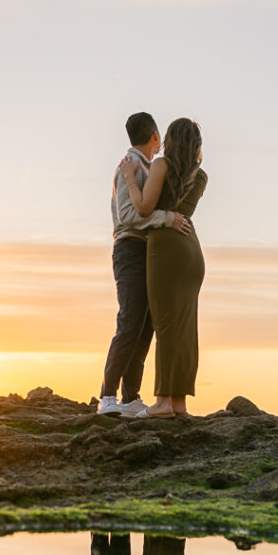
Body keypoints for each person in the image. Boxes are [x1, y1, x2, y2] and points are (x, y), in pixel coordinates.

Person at [98, 113, 191, 417]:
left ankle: (130, 397)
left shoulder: (149, 166)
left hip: (147, 250)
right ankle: (107, 396)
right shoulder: (131, 165)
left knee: (145, 326)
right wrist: (167, 219)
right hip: (130, 248)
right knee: (129, 322)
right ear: (154, 135)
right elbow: (128, 215)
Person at [119, 118, 207, 418]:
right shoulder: (201, 175)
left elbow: (143, 208)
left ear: (169, 138)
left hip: (166, 249)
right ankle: (179, 402)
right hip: (191, 251)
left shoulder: (161, 166)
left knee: (166, 327)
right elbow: (191, 171)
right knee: (185, 329)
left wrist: (130, 178)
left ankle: (163, 403)